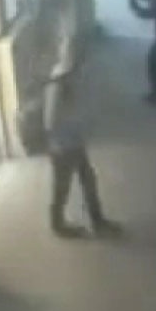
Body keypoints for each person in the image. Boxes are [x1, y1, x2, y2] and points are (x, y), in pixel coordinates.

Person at [44, 62, 121, 238]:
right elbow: (51, 122)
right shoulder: (58, 90)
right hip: (64, 147)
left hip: (73, 144)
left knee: (87, 181)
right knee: (64, 186)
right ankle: (60, 225)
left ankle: (95, 220)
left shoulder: (63, 86)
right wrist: (64, 141)